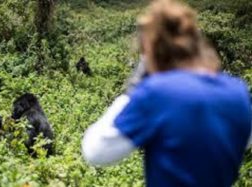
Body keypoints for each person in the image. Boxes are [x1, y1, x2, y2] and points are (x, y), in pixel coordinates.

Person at [81, 0, 252, 186]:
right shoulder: (238, 91)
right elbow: (245, 140)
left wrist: (133, 90)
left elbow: (95, 151)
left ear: (153, 50)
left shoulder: (157, 92)